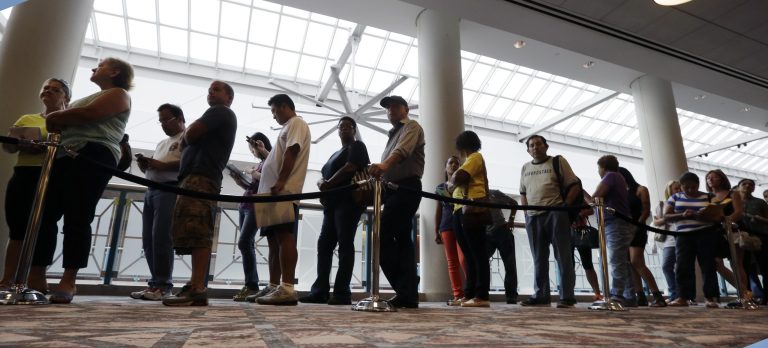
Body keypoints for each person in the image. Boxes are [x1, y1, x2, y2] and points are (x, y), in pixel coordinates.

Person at [32, 58, 133, 304]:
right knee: (45, 215)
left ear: (115, 71)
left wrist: (58, 115)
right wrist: (62, 117)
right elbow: (64, 121)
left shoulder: (118, 94)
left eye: (100, 65)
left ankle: (69, 280)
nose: (93, 68)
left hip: (93, 154)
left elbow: (90, 114)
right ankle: (37, 276)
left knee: (78, 216)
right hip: (66, 155)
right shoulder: (86, 99)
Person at [162, 80, 237, 306]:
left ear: (229, 98)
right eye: (209, 90)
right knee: (192, 230)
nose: (210, 93)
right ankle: (195, 284)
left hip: (202, 177)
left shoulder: (221, 112)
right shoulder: (216, 113)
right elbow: (189, 138)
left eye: (216, 90)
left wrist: (189, 134)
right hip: (194, 177)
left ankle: (197, 287)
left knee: (198, 229)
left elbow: (191, 135)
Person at [0, 78, 70, 291]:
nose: (48, 91)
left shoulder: (70, 121)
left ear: (65, 97)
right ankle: (7, 279)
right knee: (17, 228)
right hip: (24, 175)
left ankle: (37, 278)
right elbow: (9, 148)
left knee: (46, 227)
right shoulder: (27, 118)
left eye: (55, 89)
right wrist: (21, 143)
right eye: (45, 87)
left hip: (52, 176)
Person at [300, 117, 369, 305]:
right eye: (341, 127)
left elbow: (351, 167)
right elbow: (324, 175)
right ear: (337, 131)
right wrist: (322, 182)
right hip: (332, 205)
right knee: (324, 245)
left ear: (354, 130)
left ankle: (342, 292)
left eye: (348, 126)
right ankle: (320, 291)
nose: (344, 129)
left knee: (345, 244)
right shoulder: (334, 153)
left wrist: (328, 183)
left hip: (348, 202)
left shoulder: (357, 147)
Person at [253, 94, 311, 306]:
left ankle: (287, 287)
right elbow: (279, 157)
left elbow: (292, 151)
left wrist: (281, 181)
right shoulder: (287, 128)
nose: (274, 116)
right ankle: (274, 284)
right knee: (273, 241)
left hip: (283, 191)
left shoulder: (297, 123)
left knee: (284, 236)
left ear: (285, 106)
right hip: (272, 192)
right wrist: (264, 153)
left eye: (275, 111)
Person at [368, 95, 424, 309]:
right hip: (392, 190)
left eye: (394, 106)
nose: (390, 110)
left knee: (381, 235)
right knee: (403, 241)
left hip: (406, 187)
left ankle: (405, 288)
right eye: (387, 107)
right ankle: (408, 293)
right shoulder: (392, 134)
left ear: (405, 109)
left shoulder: (411, 126)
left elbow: (402, 152)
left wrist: (383, 166)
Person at [128, 104, 185, 301]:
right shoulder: (162, 143)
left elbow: (187, 162)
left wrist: (160, 165)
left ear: (179, 118)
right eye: (160, 121)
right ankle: (155, 283)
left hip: (170, 189)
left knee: (161, 237)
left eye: (166, 120)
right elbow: (157, 166)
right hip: (152, 189)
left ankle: (163, 285)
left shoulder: (186, 138)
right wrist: (148, 165)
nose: (163, 124)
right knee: (148, 239)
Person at [519, 135, 577, 308]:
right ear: (528, 150)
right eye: (531, 145)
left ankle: (567, 296)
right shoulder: (525, 168)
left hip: (556, 213)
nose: (535, 147)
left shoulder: (558, 162)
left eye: (538, 144)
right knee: (538, 257)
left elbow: (574, 185)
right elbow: (523, 193)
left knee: (563, 256)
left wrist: (565, 206)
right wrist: (527, 213)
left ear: (546, 146)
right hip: (533, 217)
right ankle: (541, 294)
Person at [448, 130, 491, 308]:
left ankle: (482, 295)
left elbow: (459, 178)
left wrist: (452, 181)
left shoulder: (475, 158)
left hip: (472, 209)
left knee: (478, 253)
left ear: (461, 146)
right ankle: (470, 293)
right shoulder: (468, 161)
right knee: (469, 254)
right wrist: (452, 184)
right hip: (460, 209)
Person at [664, 172, 720, 308]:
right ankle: (682, 297)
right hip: (684, 236)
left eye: (693, 187)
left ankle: (710, 297)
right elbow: (666, 216)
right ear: (681, 186)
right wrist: (682, 215)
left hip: (705, 234)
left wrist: (701, 216)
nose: (690, 190)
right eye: (686, 187)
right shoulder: (675, 197)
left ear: (698, 185)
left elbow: (718, 216)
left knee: (708, 265)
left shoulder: (709, 196)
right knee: (683, 266)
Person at [230, 132, 271, 302]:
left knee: (244, 241)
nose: (252, 152)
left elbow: (270, 180)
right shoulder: (261, 163)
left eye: (252, 148)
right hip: (245, 203)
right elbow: (252, 185)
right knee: (246, 243)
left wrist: (255, 175)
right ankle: (250, 284)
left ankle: (252, 284)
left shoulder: (269, 161)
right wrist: (240, 180)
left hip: (255, 205)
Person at [618, 167, 666, 307]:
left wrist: (637, 225)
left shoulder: (641, 189)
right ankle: (640, 296)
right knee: (631, 264)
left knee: (636, 261)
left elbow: (645, 210)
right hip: (623, 230)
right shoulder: (619, 192)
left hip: (638, 228)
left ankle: (657, 295)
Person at [589, 156, 634, 306]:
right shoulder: (619, 177)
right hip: (616, 223)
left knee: (616, 259)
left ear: (603, 167)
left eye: (598, 168)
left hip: (615, 223)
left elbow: (596, 198)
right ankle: (628, 294)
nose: (598, 172)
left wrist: (582, 193)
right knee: (621, 259)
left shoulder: (611, 176)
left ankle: (617, 294)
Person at [706, 169, 747, 304]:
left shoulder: (732, 193)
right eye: (708, 178)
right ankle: (743, 291)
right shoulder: (708, 196)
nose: (710, 180)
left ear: (721, 178)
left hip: (733, 230)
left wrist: (726, 222)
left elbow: (739, 212)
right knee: (717, 263)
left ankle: (744, 295)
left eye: (714, 177)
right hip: (715, 232)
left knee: (736, 263)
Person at [434, 155, 466, 306]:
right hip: (446, 226)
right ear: (445, 167)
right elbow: (438, 210)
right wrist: (436, 230)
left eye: (457, 163)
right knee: (452, 262)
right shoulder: (440, 188)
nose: (454, 165)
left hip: (462, 224)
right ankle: (457, 295)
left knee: (464, 259)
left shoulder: (464, 184)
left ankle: (471, 292)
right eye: (450, 163)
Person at [737, 178, 768, 305]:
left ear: (754, 188)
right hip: (740, 238)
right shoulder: (734, 202)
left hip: (760, 237)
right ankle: (748, 296)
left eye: (751, 184)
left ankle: (766, 297)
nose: (748, 186)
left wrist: (760, 220)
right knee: (744, 267)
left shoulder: (760, 202)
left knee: (765, 267)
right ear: (739, 187)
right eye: (744, 184)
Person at [485, 189, 519, 304]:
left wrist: (511, 219)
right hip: (485, 235)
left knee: (510, 265)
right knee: (481, 265)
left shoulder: (494, 193)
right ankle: (482, 294)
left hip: (502, 231)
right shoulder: (471, 195)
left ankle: (511, 296)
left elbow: (514, 203)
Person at [652, 180, 682, 303]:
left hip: (683, 237)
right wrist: (668, 217)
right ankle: (674, 293)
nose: (679, 190)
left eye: (680, 188)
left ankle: (682, 295)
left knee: (682, 267)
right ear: (669, 190)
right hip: (669, 240)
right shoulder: (662, 205)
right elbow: (656, 221)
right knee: (666, 265)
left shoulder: (685, 203)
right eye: (676, 188)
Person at [571, 206, 603, 302]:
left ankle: (597, 293)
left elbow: (591, 209)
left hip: (581, 232)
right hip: (573, 232)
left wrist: (580, 213)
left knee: (587, 264)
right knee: (571, 265)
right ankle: (569, 293)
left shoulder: (579, 196)